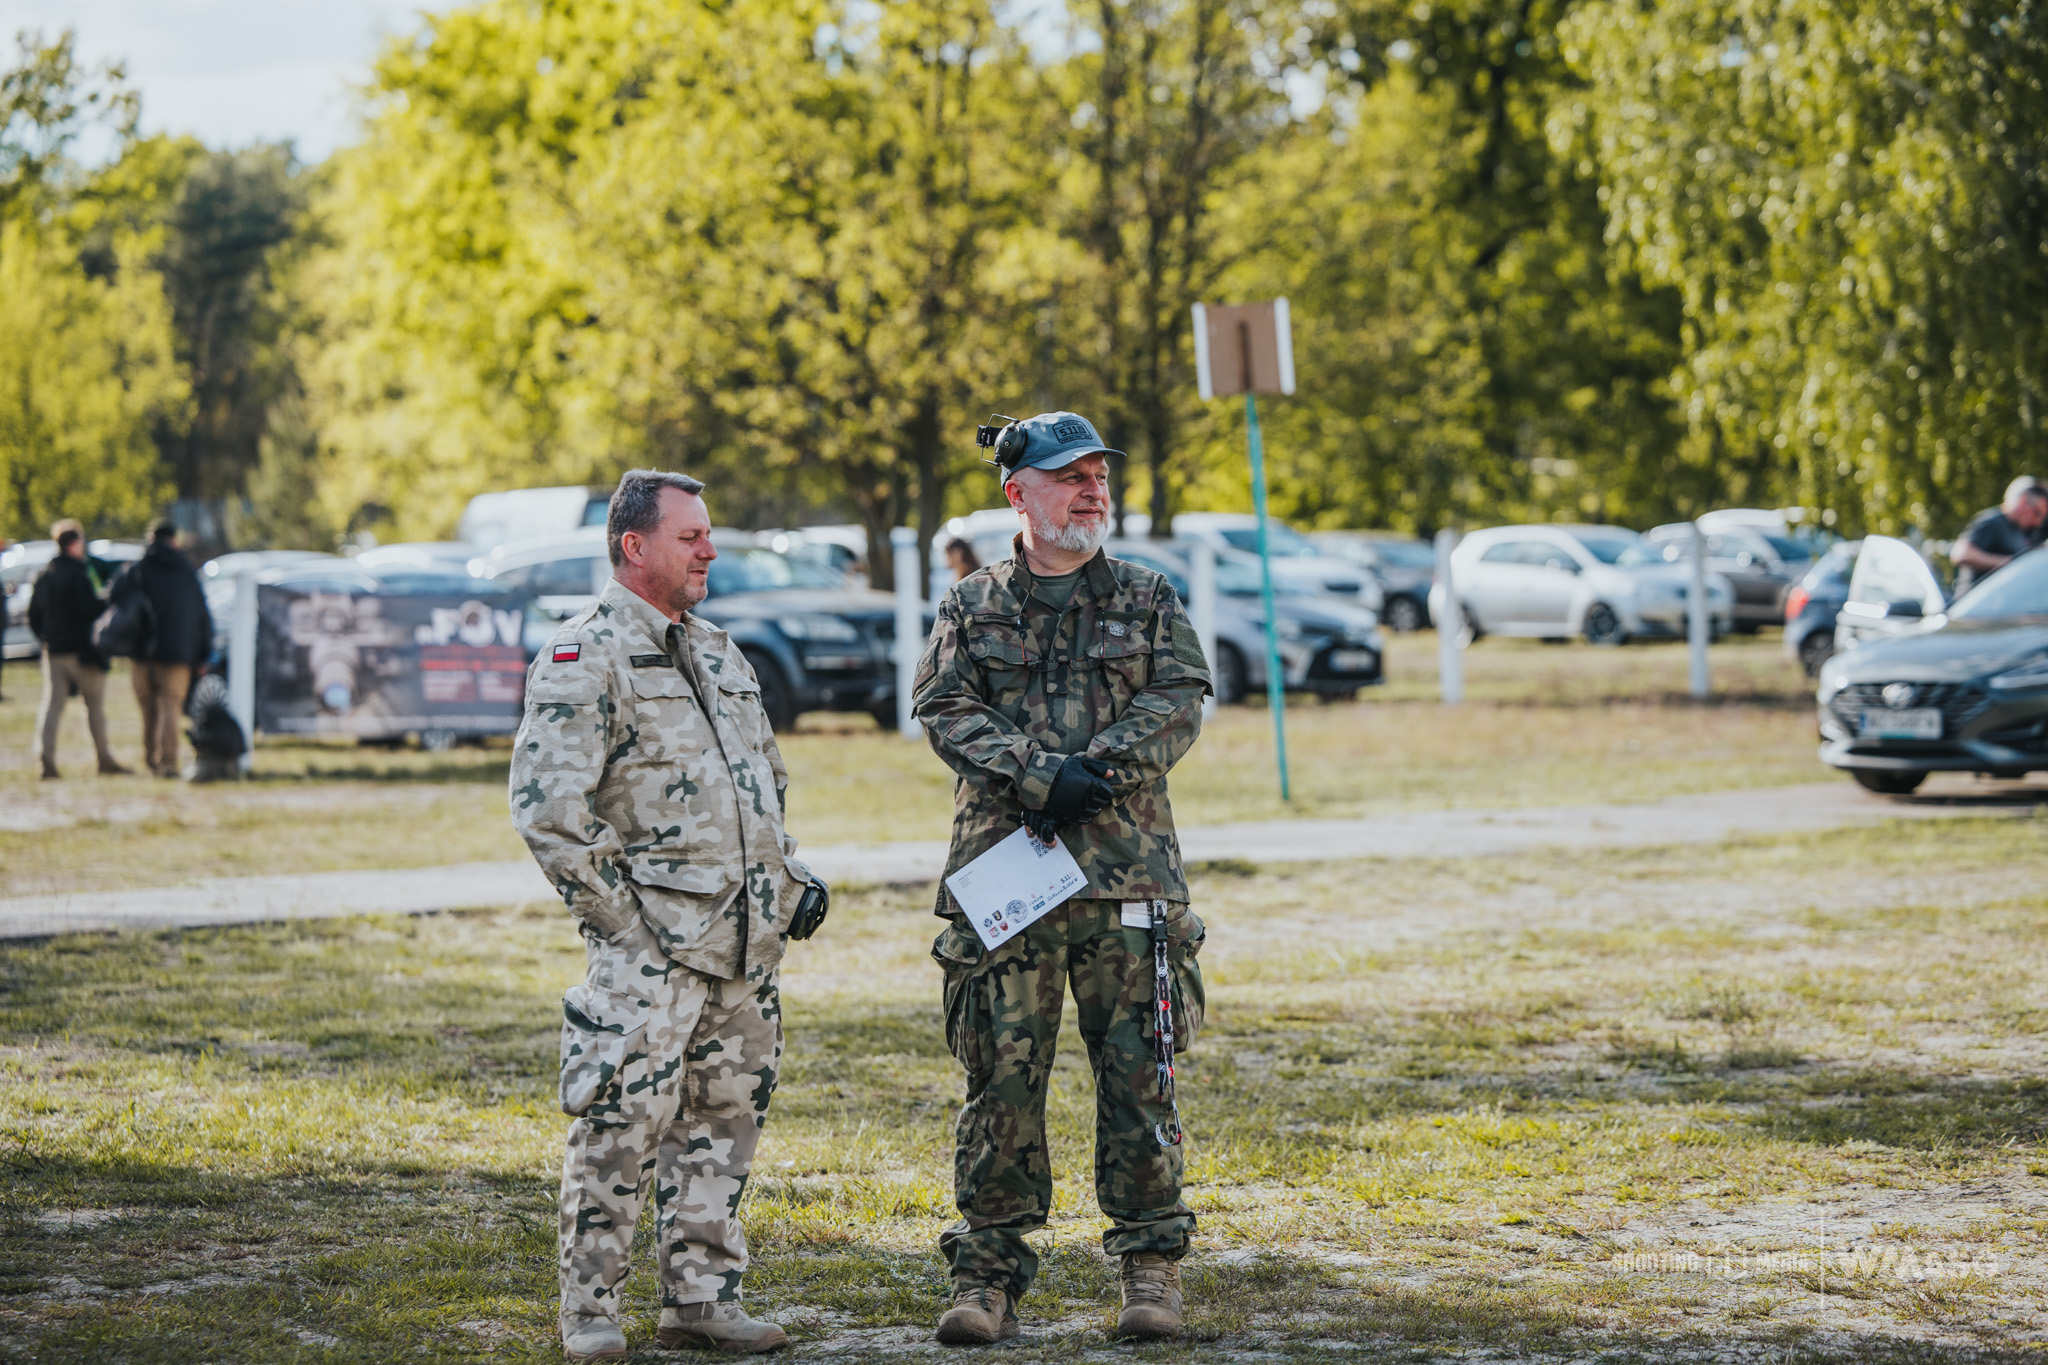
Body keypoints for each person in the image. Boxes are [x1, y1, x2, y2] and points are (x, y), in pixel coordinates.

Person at [510, 469, 831, 1362]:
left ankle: (701, 1299)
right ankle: (591, 1310)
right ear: (634, 547)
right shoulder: (585, 653)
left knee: (722, 1128)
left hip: (743, 950)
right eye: (691, 536)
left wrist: (789, 882)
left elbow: (763, 785)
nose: (709, 550)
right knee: (620, 1126)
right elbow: (548, 809)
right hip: (649, 952)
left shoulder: (723, 652)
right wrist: (624, 927)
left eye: (708, 533)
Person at [912, 411, 1212, 1344]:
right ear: (1019, 494)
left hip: (1127, 878)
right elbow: (942, 705)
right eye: (1069, 475)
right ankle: (988, 1276)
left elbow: (1179, 699)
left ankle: (1150, 1268)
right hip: (1008, 884)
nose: (1092, 489)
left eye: (1098, 474)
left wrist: (1102, 767)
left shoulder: (1147, 594)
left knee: (1139, 1078)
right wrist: (1043, 774)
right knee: (1000, 1079)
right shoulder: (972, 604)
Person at [108, 520, 213, 778]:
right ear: (174, 541)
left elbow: (114, 598)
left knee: (148, 708)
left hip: (142, 654)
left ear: (151, 539)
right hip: (178, 654)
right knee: (171, 706)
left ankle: (150, 760)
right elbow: (202, 615)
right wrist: (203, 653)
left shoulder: (138, 570)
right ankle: (168, 762)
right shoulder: (186, 572)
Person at [26, 521, 130, 779]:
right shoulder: (78, 574)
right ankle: (104, 759)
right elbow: (91, 611)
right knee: (94, 705)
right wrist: (109, 598)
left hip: (54, 650)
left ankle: (46, 759)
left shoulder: (45, 574)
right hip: (81, 652)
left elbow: (33, 614)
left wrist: (45, 638)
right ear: (74, 543)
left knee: (52, 706)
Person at [1950, 476, 2048, 594]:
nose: (2038, 522)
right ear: (2023, 502)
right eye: (2037, 513)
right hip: (1975, 607)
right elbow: (1960, 553)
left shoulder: (2021, 531)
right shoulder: (1992, 521)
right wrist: (2009, 564)